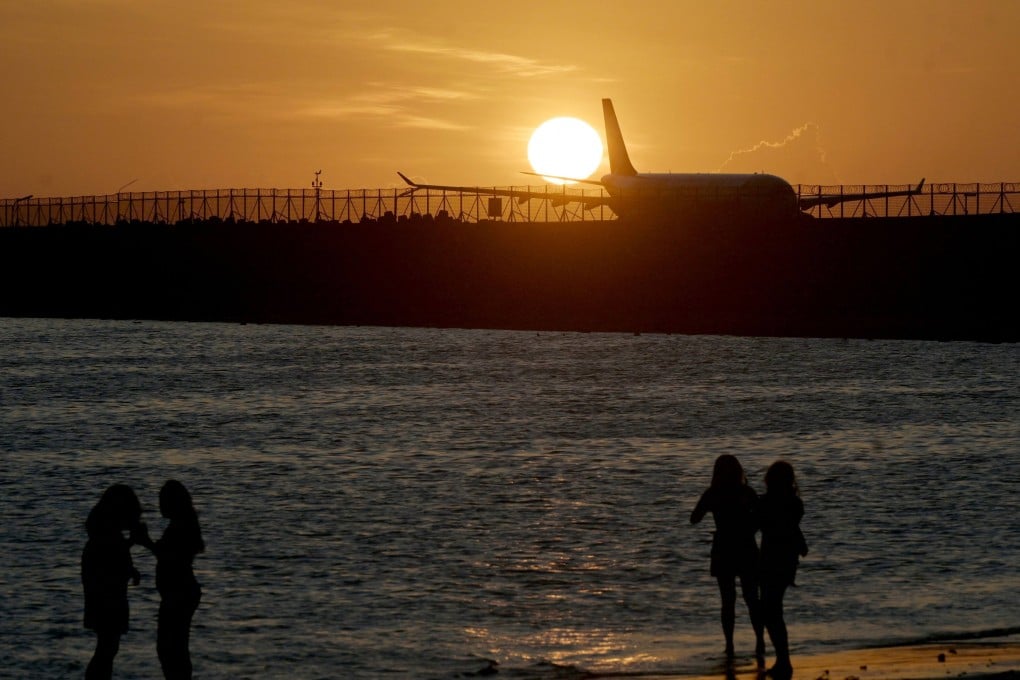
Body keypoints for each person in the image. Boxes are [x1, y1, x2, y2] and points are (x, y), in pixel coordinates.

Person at [691, 454, 765, 661]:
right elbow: (761, 518)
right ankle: (760, 641)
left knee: (728, 600)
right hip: (746, 547)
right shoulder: (746, 492)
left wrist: (708, 505)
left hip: (723, 547)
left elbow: (694, 519)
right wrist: (749, 528)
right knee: (752, 598)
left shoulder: (713, 493)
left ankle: (730, 645)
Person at [133, 480, 205, 680]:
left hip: (178, 594)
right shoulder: (181, 524)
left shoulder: (180, 527)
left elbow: (169, 557)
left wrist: (146, 541)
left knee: (170, 649)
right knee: (174, 648)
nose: (159, 505)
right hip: (180, 592)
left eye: (163, 501)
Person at [81, 484, 143, 680]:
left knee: (107, 647)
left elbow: (114, 559)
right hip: (108, 599)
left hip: (105, 597)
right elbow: (112, 563)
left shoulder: (104, 535)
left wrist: (130, 567)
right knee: (107, 648)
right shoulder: (107, 537)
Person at [758, 461, 808, 679]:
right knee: (773, 610)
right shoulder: (795, 503)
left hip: (771, 559)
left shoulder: (767, 502)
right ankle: (783, 659)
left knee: (771, 611)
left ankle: (784, 661)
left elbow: (757, 524)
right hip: (787, 559)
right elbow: (791, 526)